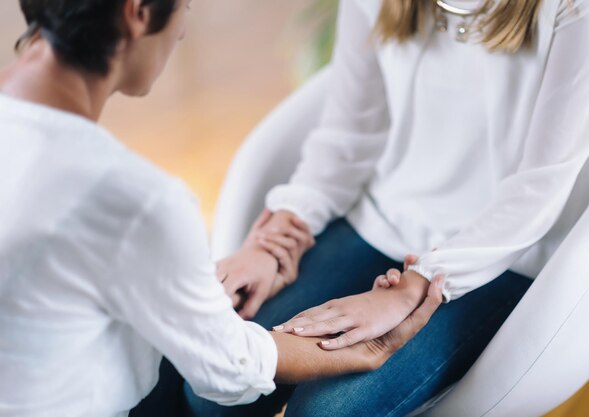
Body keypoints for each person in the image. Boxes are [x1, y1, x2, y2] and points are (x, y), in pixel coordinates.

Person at [0, 1, 445, 416]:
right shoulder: (135, 200)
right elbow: (229, 368)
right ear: (137, 12)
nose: (182, 30)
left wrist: (189, 292)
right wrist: (368, 347)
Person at [184, 0, 589, 416]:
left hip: (498, 258)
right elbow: (349, 135)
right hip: (379, 221)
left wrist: (414, 288)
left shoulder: (580, 7)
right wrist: (277, 239)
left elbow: (540, 187)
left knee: (329, 411)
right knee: (213, 388)